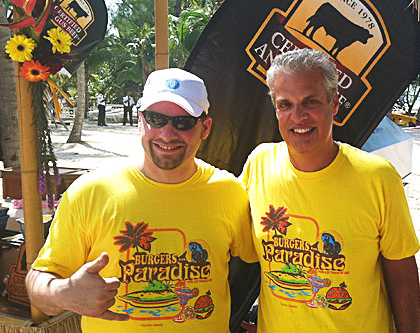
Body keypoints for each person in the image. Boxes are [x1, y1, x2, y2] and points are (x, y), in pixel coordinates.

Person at [26, 68, 257, 332]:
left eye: (183, 122)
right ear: (140, 121)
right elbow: (39, 281)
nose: (167, 134)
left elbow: (272, 258)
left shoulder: (230, 192)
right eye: (156, 119)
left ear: (205, 127)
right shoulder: (90, 192)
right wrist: (63, 293)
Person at [242, 48, 420, 332]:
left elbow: (402, 276)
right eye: (285, 105)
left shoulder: (378, 177)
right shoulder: (259, 165)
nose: (297, 116)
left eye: (310, 102)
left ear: (334, 104)